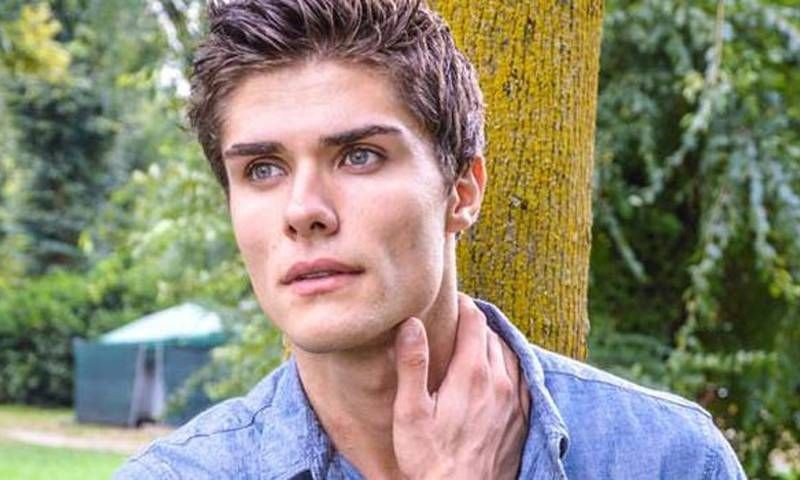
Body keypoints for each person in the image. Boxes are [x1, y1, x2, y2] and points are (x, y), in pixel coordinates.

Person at [116, 0, 746, 478]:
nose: (304, 211)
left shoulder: (667, 458)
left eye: (359, 156)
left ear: (462, 191)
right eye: (262, 169)